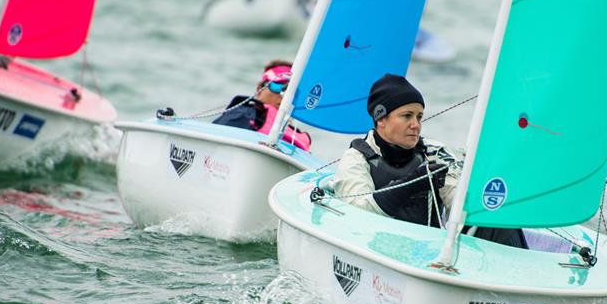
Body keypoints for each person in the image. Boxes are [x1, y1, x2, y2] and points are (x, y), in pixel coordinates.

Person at [333, 73, 527, 248]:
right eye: (407, 116)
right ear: (381, 119)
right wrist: (411, 184)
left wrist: (488, 179)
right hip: (375, 247)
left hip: (427, 254)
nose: (416, 125)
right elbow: (357, 212)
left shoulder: (434, 153)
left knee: (500, 221)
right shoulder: (356, 158)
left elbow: (460, 210)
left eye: (419, 117)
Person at [212, 59, 311, 151]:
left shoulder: (298, 135)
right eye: (278, 86)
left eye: (291, 91)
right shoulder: (245, 113)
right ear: (260, 88)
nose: (284, 95)